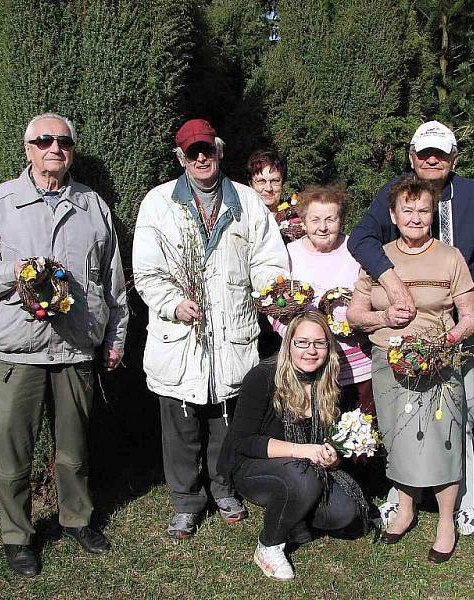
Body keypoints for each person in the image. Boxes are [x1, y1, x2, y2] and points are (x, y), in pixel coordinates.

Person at [0, 113, 128, 577]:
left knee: (74, 450)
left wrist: (115, 336)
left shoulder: (93, 206)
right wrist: (9, 274)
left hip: (74, 348)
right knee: (14, 455)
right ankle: (18, 535)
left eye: (65, 141)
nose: (56, 148)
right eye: (45, 140)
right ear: (27, 148)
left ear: (72, 150)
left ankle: (77, 520)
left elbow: (112, 281)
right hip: (16, 351)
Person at [348, 120, 474, 536]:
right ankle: (402, 503)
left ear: (454, 156)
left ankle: (462, 507)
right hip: (395, 345)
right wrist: (392, 282)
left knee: (460, 420)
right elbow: (361, 240)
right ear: (412, 157)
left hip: (451, 331)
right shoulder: (394, 192)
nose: (431, 160)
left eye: (440, 153)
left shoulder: (472, 197)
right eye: (424, 153)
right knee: (399, 425)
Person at [133, 118, 289, 540]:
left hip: (231, 333)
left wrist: (270, 295)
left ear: (219, 151)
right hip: (179, 334)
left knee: (225, 421)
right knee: (181, 427)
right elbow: (147, 270)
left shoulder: (246, 201)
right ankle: (186, 502)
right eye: (192, 151)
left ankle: (223, 491)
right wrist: (172, 303)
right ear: (181, 157)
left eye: (208, 149)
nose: (201, 157)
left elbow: (269, 258)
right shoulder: (158, 203)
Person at [347, 177, 474, 563]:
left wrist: (446, 343)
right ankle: (404, 510)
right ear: (393, 214)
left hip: (438, 365)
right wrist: (385, 315)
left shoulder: (451, 257)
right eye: (407, 210)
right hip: (387, 364)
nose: (416, 217)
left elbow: (469, 316)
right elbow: (356, 315)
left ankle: (445, 522)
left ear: (432, 214)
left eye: (423, 210)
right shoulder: (378, 258)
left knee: (444, 442)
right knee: (398, 439)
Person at [217, 311, 368, 581]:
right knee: (302, 477)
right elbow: (243, 441)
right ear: (289, 344)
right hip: (254, 467)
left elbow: (330, 439)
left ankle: (294, 516)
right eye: (302, 342)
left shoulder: (328, 382)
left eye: (319, 343)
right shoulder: (263, 377)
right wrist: (303, 451)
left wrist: (334, 458)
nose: (311, 351)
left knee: (345, 513)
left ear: (328, 348)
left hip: (305, 470)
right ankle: (269, 545)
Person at [272, 184, 373, 414]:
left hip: (358, 366)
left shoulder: (356, 249)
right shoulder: (288, 254)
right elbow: (273, 303)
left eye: (331, 219)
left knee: (361, 438)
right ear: (303, 221)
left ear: (341, 220)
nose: (323, 227)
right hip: (308, 366)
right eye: (315, 219)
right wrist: (293, 335)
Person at [246, 149, 289, 358]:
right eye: (261, 181)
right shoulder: (242, 219)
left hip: (287, 306)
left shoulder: (299, 219)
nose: (268, 188)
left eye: (275, 181)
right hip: (252, 313)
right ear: (250, 184)